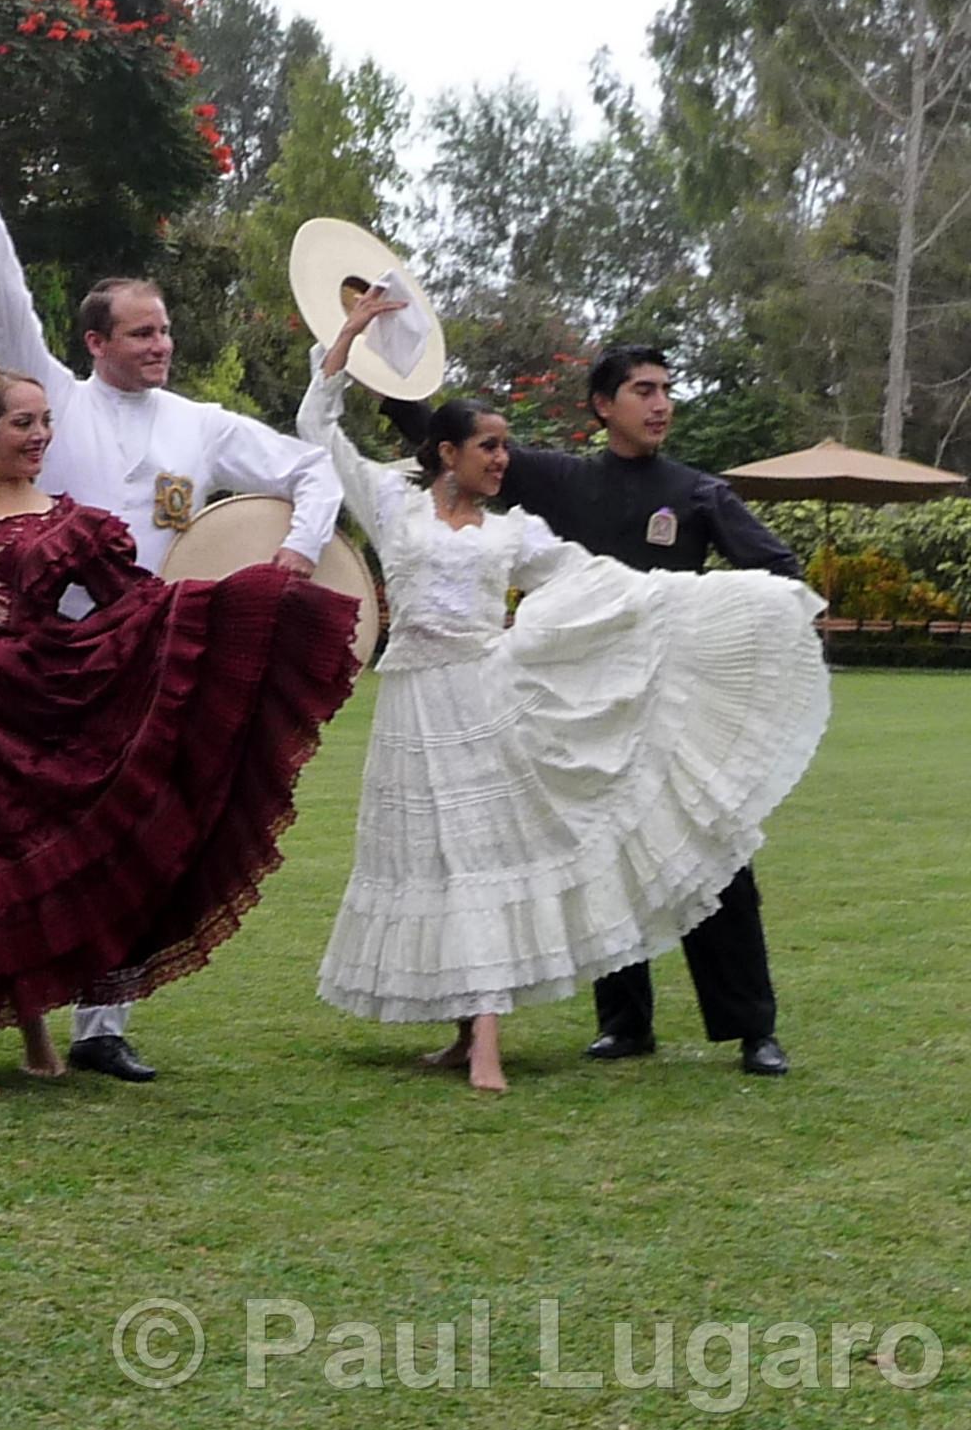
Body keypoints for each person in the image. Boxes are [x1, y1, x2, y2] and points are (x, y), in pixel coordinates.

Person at [0, 254, 362, 1098]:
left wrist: (246, 603)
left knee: (22, 853)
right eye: (24, 426)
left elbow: (147, 606)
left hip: (28, 694)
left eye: (46, 425)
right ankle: (3, 1042)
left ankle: (25, 1036)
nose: (42, 438)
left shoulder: (74, 522)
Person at [302, 293, 829, 1091]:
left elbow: (742, 566)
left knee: (708, 854)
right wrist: (365, 334)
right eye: (644, 389)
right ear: (603, 405)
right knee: (588, 837)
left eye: (665, 389)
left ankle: (752, 1027)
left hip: (659, 684)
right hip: (546, 691)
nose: (661, 402)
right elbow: (428, 428)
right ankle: (624, 1023)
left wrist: (744, 605)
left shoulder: (694, 492)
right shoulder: (552, 479)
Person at [0, 123, 346, 1084]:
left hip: (155, 656)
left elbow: (307, 468)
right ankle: (22, 1005)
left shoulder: (200, 424)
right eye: (141, 331)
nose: (161, 343)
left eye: (165, 329)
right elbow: (3, 298)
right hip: (50, 648)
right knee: (39, 827)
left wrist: (294, 554)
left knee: (137, 827)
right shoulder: (55, 399)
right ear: (95, 343)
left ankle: (104, 1021)